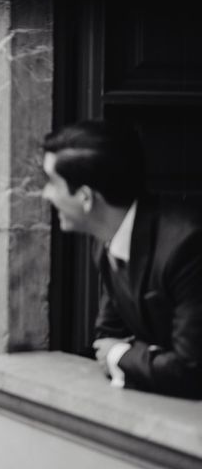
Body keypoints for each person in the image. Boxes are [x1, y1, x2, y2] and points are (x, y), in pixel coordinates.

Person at [41, 119, 202, 399]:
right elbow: (106, 335)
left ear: (85, 197)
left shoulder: (187, 246)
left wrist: (120, 354)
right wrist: (141, 356)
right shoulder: (106, 242)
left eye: (52, 183)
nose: (45, 195)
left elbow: (190, 370)